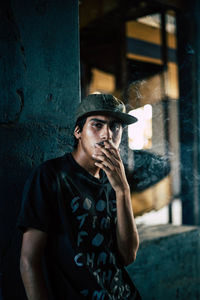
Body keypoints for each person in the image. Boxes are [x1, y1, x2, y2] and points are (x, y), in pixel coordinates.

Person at [17, 93, 142, 300]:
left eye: (115, 127)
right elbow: (29, 261)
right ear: (78, 131)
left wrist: (123, 190)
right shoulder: (51, 176)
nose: (107, 135)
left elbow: (127, 256)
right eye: (97, 125)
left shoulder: (116, 180)